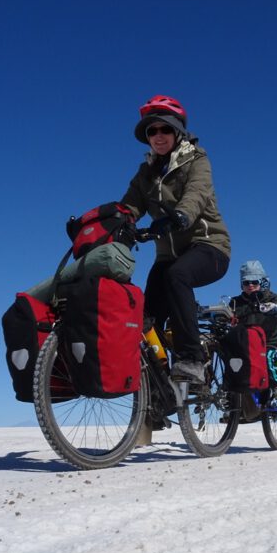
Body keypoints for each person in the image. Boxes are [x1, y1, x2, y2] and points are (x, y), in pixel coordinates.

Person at [120, 95, 231, 383]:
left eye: (164, 129)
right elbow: (130, 205)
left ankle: (191, 358)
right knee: (145, 317)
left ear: (177, 131)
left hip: (209, 248)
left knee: (177, 276)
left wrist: (179, 216)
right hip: (168, 258)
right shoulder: (146, 173)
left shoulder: (197, 160)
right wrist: (113, 223)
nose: (158, 136)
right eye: (151, 131)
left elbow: (196, 194)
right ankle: (155, 390)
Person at [229, 260, 277, 398]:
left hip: (268, 341)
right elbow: (229, 314)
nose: (250, 285)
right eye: (246, 282)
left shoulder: (271, 297)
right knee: (234, 366)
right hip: (246, 344)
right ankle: (232, 400)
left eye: (254, 282)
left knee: (267, 361)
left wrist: (274, 307)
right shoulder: (236, 302)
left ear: (262, 282)